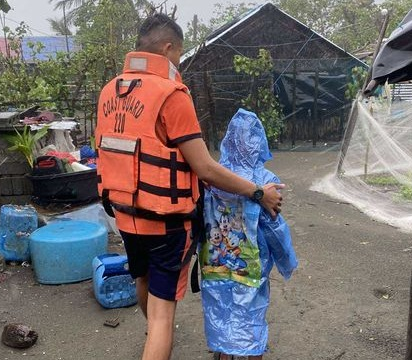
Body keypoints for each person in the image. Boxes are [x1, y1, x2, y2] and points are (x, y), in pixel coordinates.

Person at [95, 14, 284, 360]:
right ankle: (158, 337)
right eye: (179, 55)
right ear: (168, 48)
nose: (178, 63)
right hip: (166, 223)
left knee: (143, 281)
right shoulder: (171, 93)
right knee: (164, 313)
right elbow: (206, 168)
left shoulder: (110, 90)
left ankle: (155, 334)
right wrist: (258, 192)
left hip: (124, 216)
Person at [199, 108, 298, 360]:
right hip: (251, 266)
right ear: (259, 142)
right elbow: (274, 226)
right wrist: (287, 260)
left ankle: (222, 355)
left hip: (215, 263)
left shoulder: (213, 177)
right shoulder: (264, 181)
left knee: (219, 310)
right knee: (252, 314)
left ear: (228, 139)